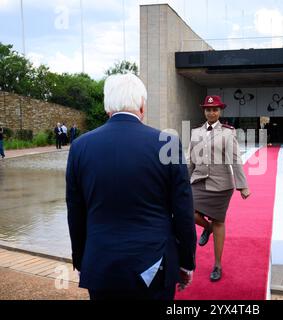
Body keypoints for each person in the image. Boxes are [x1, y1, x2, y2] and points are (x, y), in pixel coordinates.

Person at [66, 73, 196, 300]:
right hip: (154, 265)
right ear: (143, 106)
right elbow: (183, 211)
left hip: (101, 264)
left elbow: (75, 212)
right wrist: (186, 262)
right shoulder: (168, 144)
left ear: (108, 107)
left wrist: (80, 259)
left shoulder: (80, 147)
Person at [187, 95, 251, 282]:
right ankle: (207, 228)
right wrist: (183, 181)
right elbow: (191, 159)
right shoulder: (195, 132)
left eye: (215, 109)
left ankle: (217, 265)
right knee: (187, 210)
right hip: (198, 182)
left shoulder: (228, 132)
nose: (211, 112)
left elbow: (235, 159)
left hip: (221, 186)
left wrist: (243, 186)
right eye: (208, 109)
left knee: (219, 222)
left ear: (220, 111)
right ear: (204, 111)